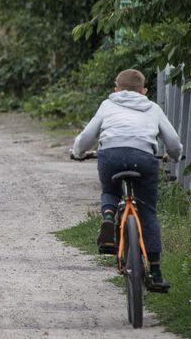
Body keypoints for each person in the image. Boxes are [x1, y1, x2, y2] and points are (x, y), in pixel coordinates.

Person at [72, 68, 182, 291]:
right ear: (144, 91)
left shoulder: (107, 105)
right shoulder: (153, 107)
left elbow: (86, 137)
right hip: (143, 157)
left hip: (110, 155)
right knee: (147, 210)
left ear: (117, 89)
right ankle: (157, 272)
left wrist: (78, 152)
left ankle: (109, 216)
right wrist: (175, 155)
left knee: (110, 191)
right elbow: (172, 141)